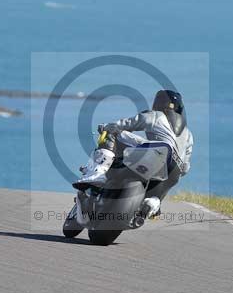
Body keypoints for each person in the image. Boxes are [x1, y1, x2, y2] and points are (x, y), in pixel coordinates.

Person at [74, 89, 193, 218]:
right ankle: (154, 203)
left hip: (158, 153)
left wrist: (106, 127)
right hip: (174, 172)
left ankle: (97, 173)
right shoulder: (189, 135)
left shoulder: (156, 115)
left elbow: (127, 124)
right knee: (153, 196)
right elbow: (186, 168)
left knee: (112, 133)